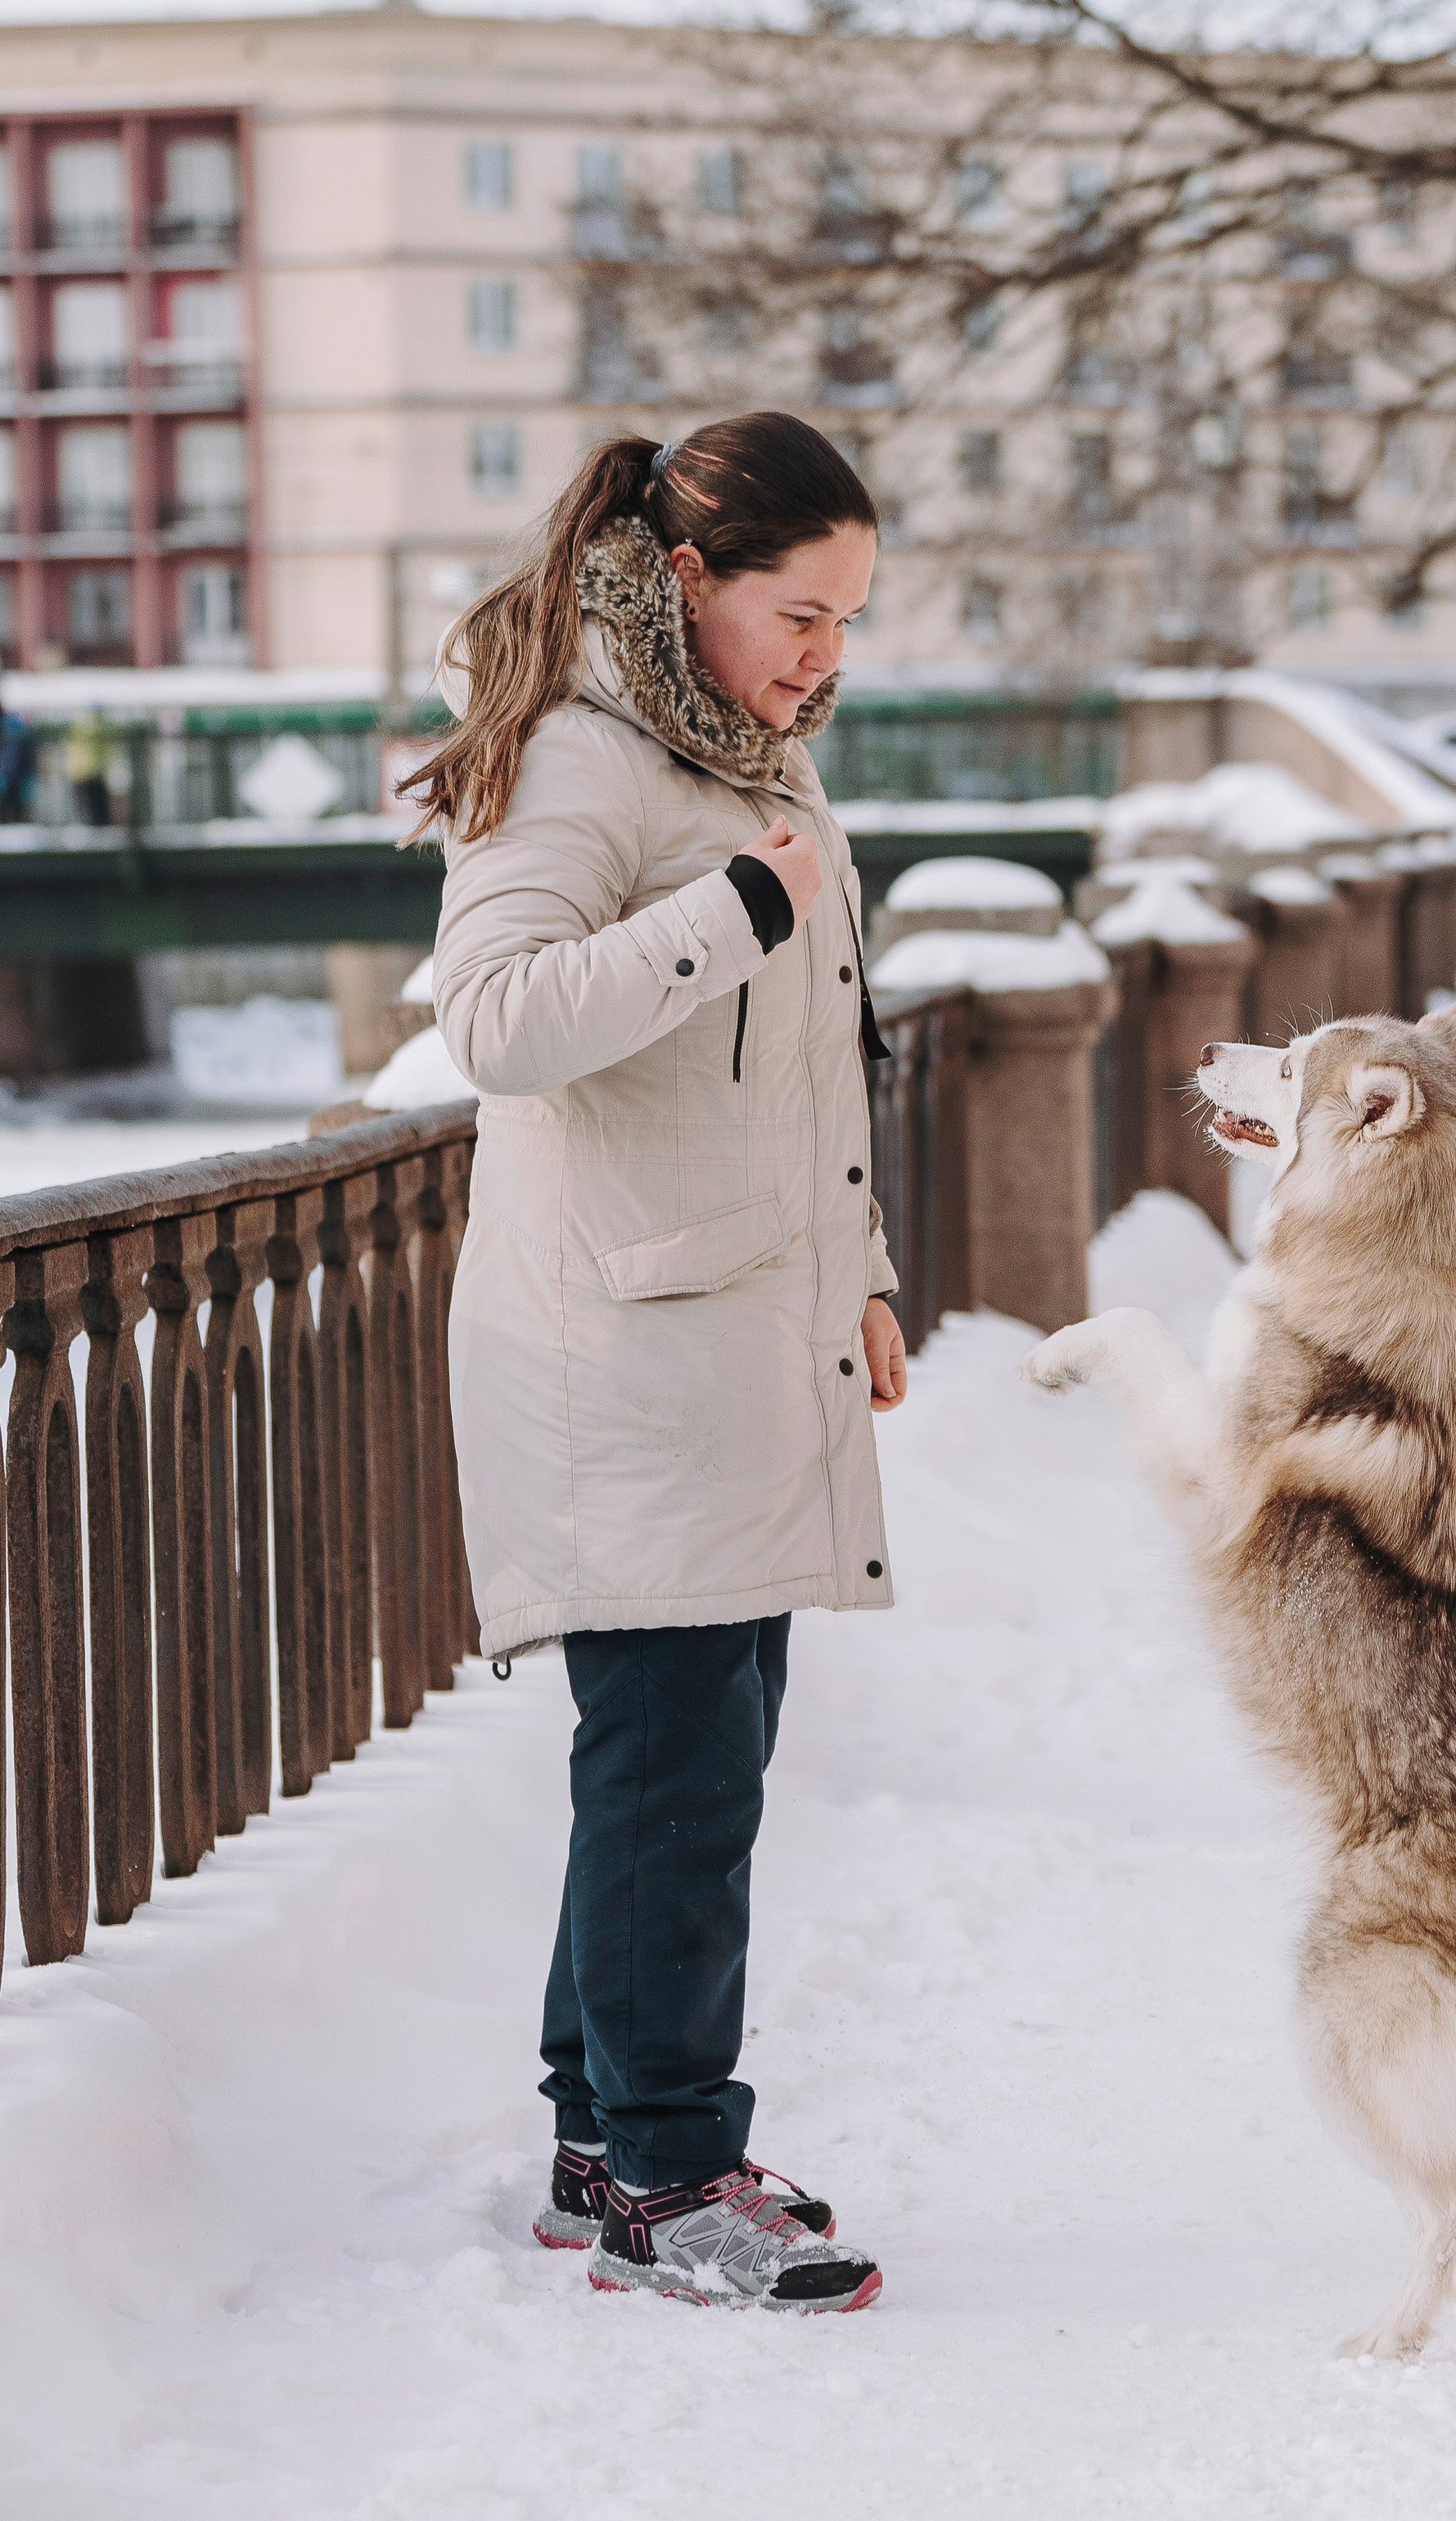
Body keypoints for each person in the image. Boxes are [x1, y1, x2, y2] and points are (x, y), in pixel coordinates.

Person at [419, 413, 902, 2318]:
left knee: (684, 1764)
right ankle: (667, 2175)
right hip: (615, 1358)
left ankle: (597, 2138)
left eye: (848, 622)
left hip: (729, 1342)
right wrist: (736, 908)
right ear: (687, 574)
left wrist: (862, 1272)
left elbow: (802, 1076)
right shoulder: (581, 754)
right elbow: (492, 1019)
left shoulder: (742, 751)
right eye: (799, 613)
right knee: (675, 1783)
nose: (824, 657)